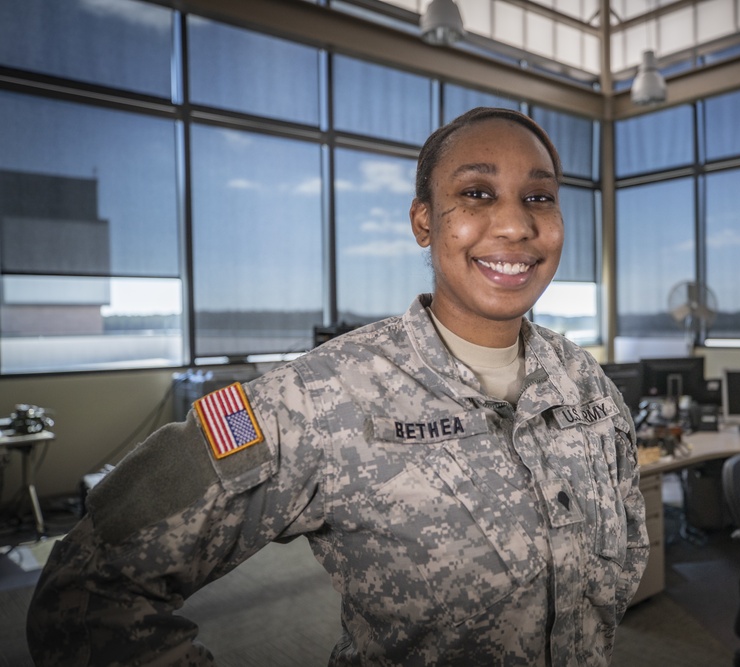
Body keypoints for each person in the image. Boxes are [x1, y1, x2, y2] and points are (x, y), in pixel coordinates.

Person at [26, 107, 649, 666]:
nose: (515, 224)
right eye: (477, 193)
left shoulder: (584, 386)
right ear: (424, 221)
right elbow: (89, 589)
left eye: (539, 198)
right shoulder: (320, 396)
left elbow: (622, 565)